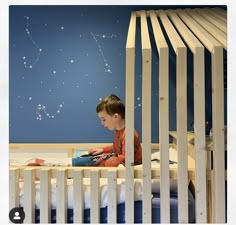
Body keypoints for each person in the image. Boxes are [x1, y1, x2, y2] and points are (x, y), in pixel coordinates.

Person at [88, 94, 142, 167]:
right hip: (123, 164)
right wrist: (102, 150)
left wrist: (105, 157)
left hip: (132, 169)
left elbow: (127, 158)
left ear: (115, 117)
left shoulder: (128, 134)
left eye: (104, 119)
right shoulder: (118, 131)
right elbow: (116, 148)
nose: (102, 123)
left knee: (106, 162)